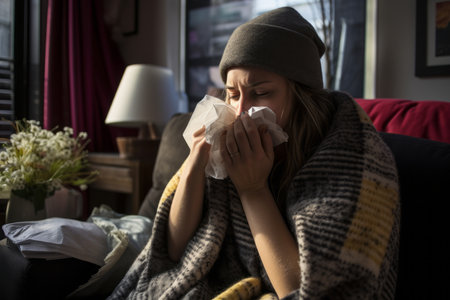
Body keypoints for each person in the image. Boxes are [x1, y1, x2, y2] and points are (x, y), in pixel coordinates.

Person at [109, 7, 400, 299]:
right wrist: (195, 162)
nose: (240, 112)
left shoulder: (347, 155)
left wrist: (252, 189)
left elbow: (306, 290)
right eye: (233, 94)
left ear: (301, 95)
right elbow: (170, 250)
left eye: (261, 93)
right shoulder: (223, 142)